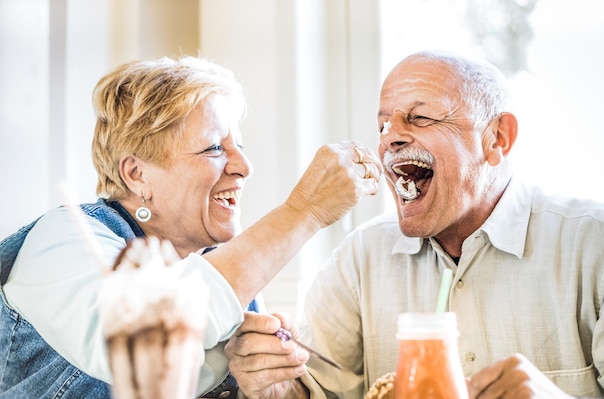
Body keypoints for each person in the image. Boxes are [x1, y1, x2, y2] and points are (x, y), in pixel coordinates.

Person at [223, 50, 604, 399]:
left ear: (497, 138)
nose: (390, 138)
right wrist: (276, 387)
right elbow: (319, 392)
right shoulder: (361, 258)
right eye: (383, 124)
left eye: (419, 117)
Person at [0, 56, 382, 398]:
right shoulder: (63, 241)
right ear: (137, 175)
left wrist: (267, 390)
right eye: (214, 148)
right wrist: (305, 210)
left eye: (240, 147)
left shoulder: (229, 277)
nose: (243, 167)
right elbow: (141, 342)